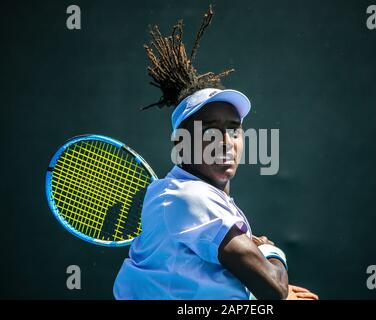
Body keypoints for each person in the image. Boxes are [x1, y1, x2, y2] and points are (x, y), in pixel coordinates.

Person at [113, 6, 318, 300]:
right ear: (181, 144)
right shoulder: (189, 196)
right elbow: (273, 288)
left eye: (234, 129)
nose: (225, 140)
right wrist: (271, 253)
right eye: (210, 130)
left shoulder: (189, 196)